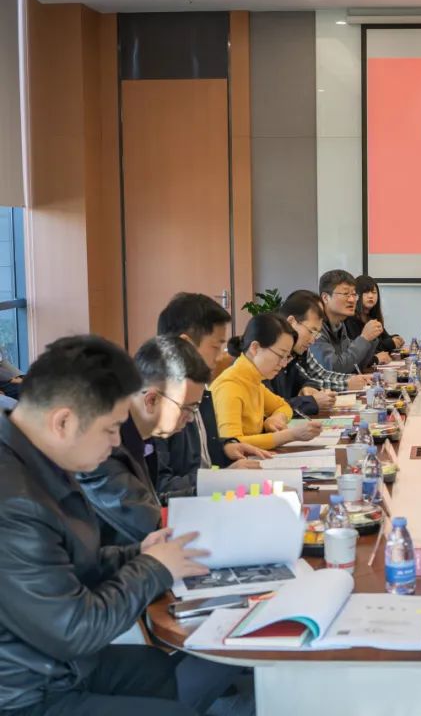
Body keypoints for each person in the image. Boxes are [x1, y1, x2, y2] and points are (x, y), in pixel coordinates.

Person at [0, 335, 209, 715]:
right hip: (26, 693)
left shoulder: (38, 458)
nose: (116, 443)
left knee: (158, 671)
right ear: (64, 421)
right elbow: (74, 631)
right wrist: (153, 567)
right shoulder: (15, 502)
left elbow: (67, 565)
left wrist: (137, 553)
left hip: (53, 665)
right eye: (110, 429)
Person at [77, 336, 210, 546]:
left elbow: (153, 498)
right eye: (188, 408)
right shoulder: (103, 447)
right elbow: (149, 526)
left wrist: (209, 489)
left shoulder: (147, 434)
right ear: (151, 400)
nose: (191, 418)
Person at [155, 293, 270, 499]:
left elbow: (202, 455)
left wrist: (226, 448)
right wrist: (221, 478)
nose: (220, 357)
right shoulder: (161, 401)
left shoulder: (200, 391)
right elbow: (161, 487)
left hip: (209, 497)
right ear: (186, 344)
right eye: (216, 347)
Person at [211, 313, 321, 450]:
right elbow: (232, 444)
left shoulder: (253, 380)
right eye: (280, 355)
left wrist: (277, 418)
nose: (284, 364)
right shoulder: (230, 386)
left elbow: (283, 406)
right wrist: (290, 435)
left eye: (287, 357)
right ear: (255, 348)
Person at [271, 289, 370, 417]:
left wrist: (307, 387)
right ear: (291, 322)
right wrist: (310, 401)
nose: (313, 340)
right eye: (311, 331)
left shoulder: (295, 353)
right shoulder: (270, 354)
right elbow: (270, 409)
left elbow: (312, 377)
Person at [310, 269, 381, 373]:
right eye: (346, 294)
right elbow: (334, 369)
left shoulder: (340, 324)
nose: (352, 300)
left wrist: (371, 339)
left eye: (354, 294)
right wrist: (364, 338)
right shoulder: (315, 327)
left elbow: (356, 366)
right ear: (325, 297)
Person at [345, 274, 404, 367]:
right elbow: (364, 350)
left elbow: (385, 338)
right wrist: (391, 343)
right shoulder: (350, 319)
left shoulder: (372, 318)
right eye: (366, 292)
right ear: (356, 295)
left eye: (374, 292)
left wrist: (396, 338)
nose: (371, 296)